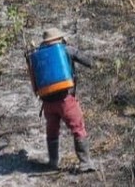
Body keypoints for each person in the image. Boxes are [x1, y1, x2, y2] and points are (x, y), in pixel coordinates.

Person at [37, 28, 96, 172]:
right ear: (60, 38)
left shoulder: (38, 54)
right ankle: (85, 162)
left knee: (52, 131)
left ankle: (53, 162)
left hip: (47, 102)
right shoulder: (66, 49)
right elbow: (88, 61)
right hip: (65, 100)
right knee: (78, 127)